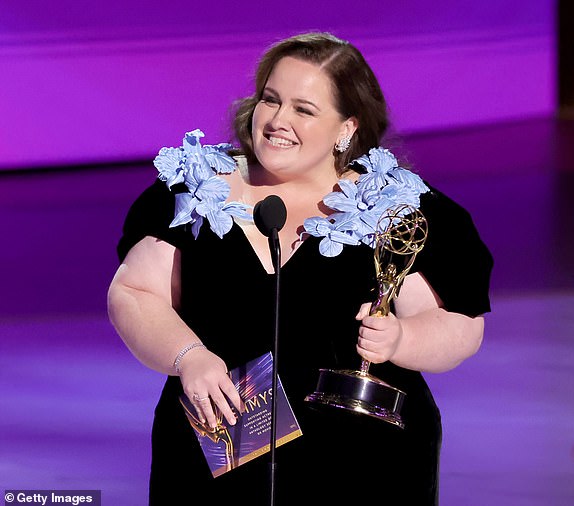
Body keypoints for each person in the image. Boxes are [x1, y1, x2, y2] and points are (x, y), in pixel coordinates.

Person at [107, 31, 493, 505]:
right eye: (271, 99)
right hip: (216, 455)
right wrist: (188, 356)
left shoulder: (400, 210)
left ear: (347, 128)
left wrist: (402, 340)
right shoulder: (194, 191)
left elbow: (460, 326)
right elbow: (134, 294)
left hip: (362, 468)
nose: (277, 120)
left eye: (304, 110)